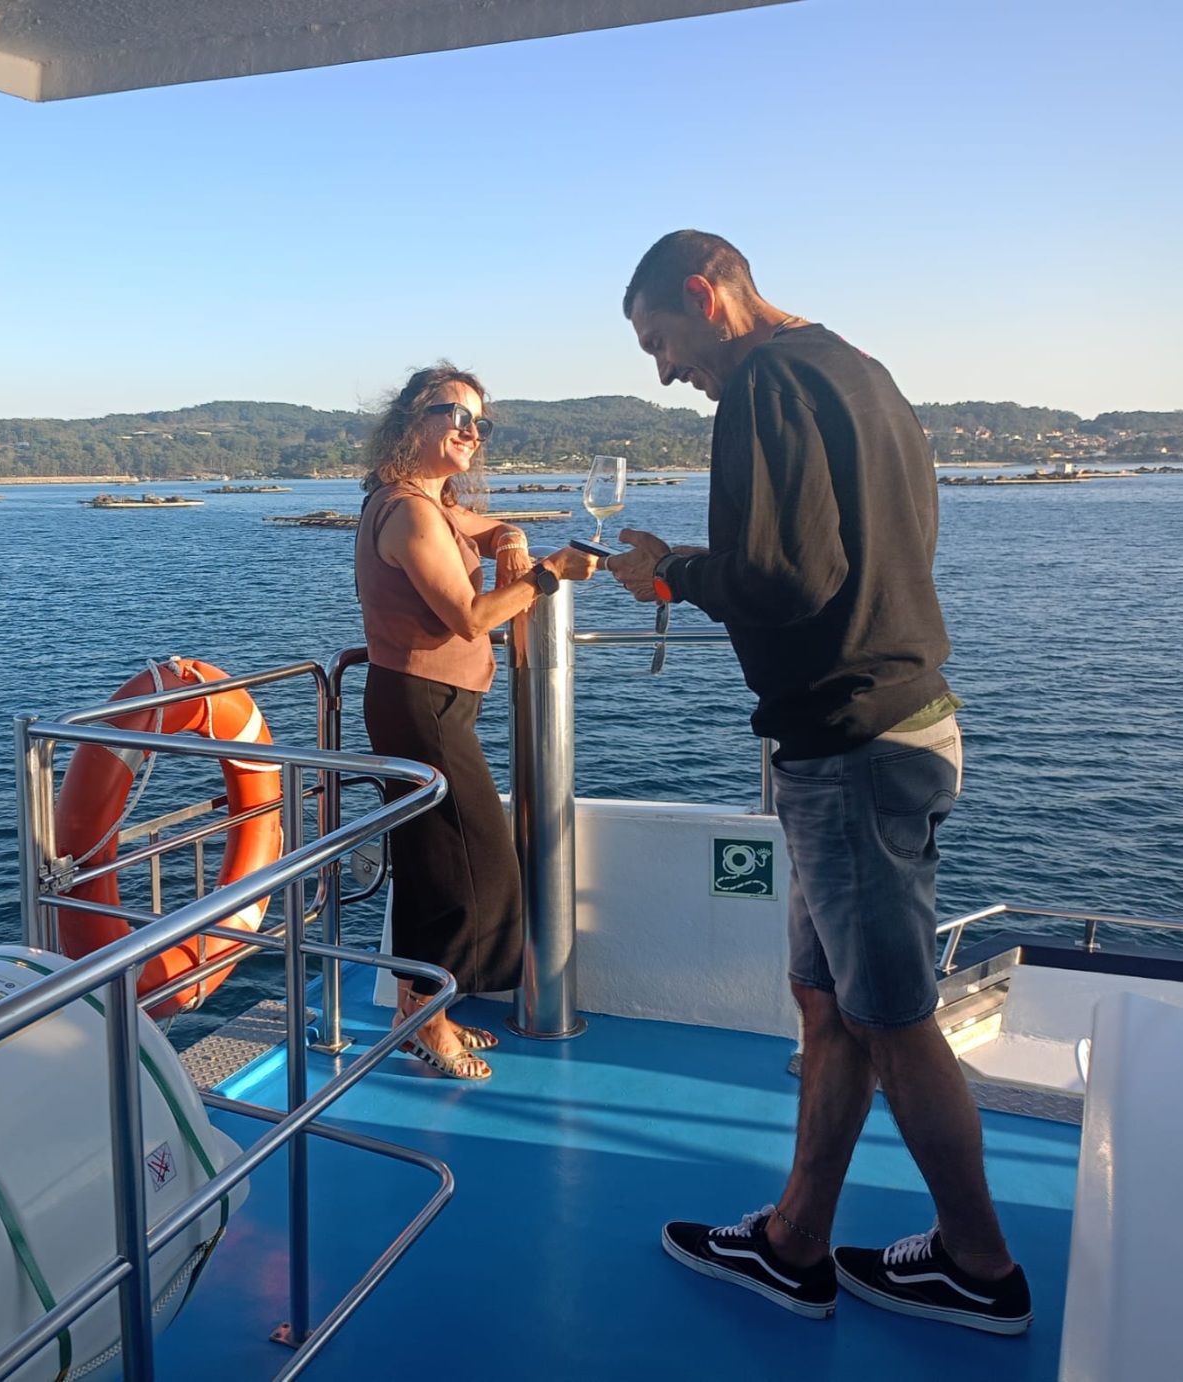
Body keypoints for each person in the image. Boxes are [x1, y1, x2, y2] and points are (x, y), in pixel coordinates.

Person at [605, 232, 1030, 1333]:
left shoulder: (762, 383)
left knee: (891, 1017)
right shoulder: (859, 372)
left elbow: (787, 576)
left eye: (660, 339)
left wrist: (669, 572)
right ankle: (796, 1239)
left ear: (705, 295)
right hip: (892, 725)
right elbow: (884, 546)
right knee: (829, 1002)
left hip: (851, 747)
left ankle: (979, 1263)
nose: (665, 370)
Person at [356, 364, 597, 1080]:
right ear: (411, 423)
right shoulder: (407, 512)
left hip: (425, 703)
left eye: (478, 422)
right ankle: (424, 1019)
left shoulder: (424, 500)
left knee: (433, 865)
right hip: (419, 707)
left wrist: (513, 540)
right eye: (453, 414)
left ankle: (418, 1012)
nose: (470, 431)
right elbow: (468, 618)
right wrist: (547, 574)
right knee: (473, 870)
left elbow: (489, 525)